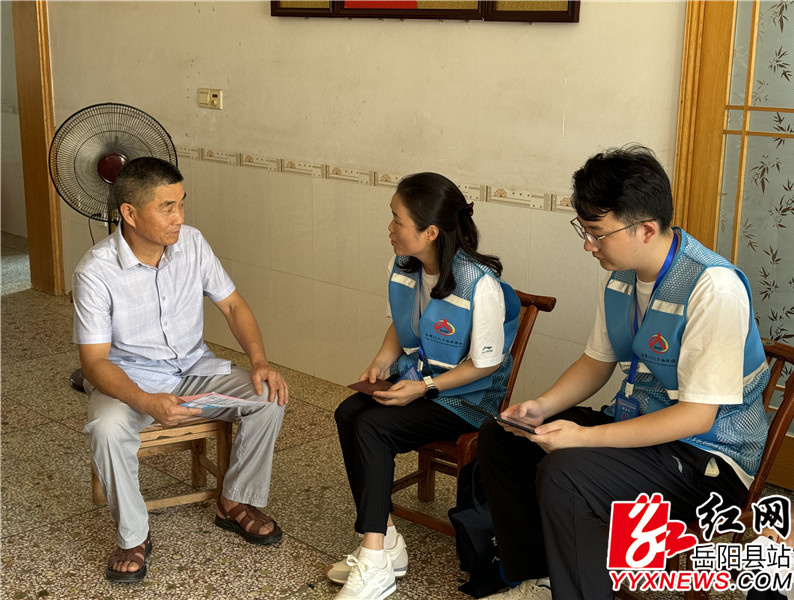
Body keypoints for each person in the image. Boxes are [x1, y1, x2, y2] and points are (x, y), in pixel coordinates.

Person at [477, 145, 770, 600]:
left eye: (597, 233)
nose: (588, 245)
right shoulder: (621, 274)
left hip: (708, 460)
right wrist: (542, 406)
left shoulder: (714, 287)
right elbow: (596, 362)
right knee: (503, 437)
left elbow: (697, 417)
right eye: (584, 230)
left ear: (646, 229)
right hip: (642, 428)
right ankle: (542, 577)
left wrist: (583, 437)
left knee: (566, 472)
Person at [73, 157, 288, 583]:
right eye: (167, 207)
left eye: (182, 203)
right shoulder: (95, 271)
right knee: (106, 427)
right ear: (130, 213)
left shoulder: (192, 243)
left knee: (269, 397)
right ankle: (134, 536)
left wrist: (260, 361)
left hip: (195, 369)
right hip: (129, 381)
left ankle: (233, 501)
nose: (180, 218)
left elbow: (233, 305)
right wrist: (146, 401)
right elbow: (94, 362)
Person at [328, 172, 521, 600]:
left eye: (397, 220)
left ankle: (374, 559)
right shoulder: (404, 266)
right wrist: (381, 362)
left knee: (372, 426)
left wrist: (425, 387)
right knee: (348, 412)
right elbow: (401, 326)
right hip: (421, 383)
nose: (390, 228)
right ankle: (385, 542)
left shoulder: (480, 284)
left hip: (468, 400)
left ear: (430, 232)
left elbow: (485, 365)